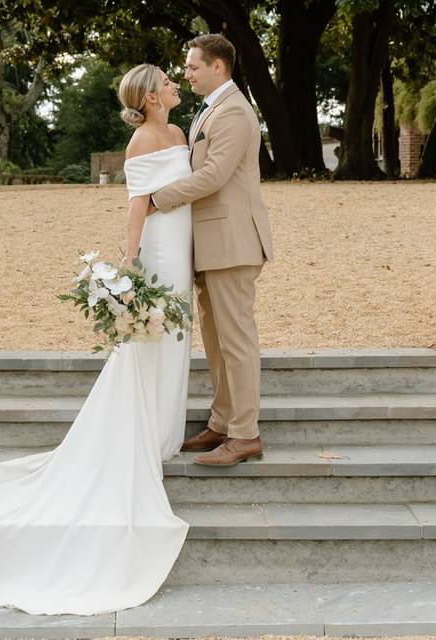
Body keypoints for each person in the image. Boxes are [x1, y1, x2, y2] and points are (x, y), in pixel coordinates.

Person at [0, 63, 192, 616]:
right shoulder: (141, 139)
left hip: (183, 243)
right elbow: (137, 204)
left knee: (177, 337)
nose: (174, 85)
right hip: (158, 246)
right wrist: (131, 263)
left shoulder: (182, 134)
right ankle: (143, 434)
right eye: (167, 80)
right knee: (150, 338)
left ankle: (165, 429)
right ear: (150, 95)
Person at [149, 34, 273, 466]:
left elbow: (215, 176)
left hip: (234, 243)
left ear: (217, 67)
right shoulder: (213, 109)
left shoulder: (235, 111)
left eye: (192, 67)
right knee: (218, 343)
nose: (186, 74)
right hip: (211, 245)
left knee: (237, 342)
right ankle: (222, 422)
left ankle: (245, 434)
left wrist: (158, 198)